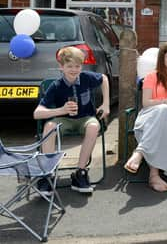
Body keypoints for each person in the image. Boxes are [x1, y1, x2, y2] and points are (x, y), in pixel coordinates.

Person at [33, 46, 110, 195]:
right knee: (49, 126)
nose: (74, 70)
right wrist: (61, 110)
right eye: (69, 66)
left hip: (85, 118)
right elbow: (37, 113)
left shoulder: (86, 77)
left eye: (77, 66)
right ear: (61, 67)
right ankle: (47, 174)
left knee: (94, 126)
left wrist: (106, 103)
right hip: (63, 120)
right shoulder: (56, 86)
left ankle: (80, 173)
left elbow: (104, 79)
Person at [123, 42, 167, 192]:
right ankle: (153, 176)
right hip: (149, 117)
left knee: (165, 113)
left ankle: (140, 154)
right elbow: (146, 103)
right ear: (162, 58)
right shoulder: (151, 77)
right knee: (163, 110)